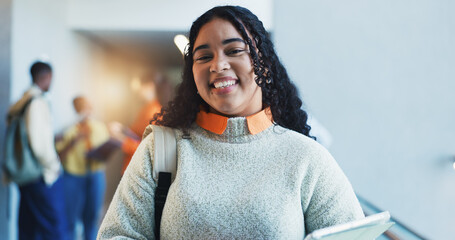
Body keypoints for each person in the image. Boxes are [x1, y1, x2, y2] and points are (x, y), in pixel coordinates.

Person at [98, 6, 364, 239]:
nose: (218, 65)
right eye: (203, 56)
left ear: (265, 64)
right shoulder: (161, 148)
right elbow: (118, 235)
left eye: (234, 50)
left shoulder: (307, 158)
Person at [7, 61, 66, 239]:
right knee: (54, 227)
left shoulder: (21, 101)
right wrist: (53, 166)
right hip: (39, 174)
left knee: (28, 227)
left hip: (23, 172)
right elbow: (39, 145)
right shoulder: (37, 102)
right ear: (46, 77)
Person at [55, 96, 110, 240]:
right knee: (70, 219)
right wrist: (74, 141)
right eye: (80, 107)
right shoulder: (67, 131)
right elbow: (59, 157)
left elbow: (105, 154)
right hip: (72, 176)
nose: (84, 110)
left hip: (95, 175)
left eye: (86, 106)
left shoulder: (100, 127)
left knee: (91, 220)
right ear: (75, 110)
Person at [108, 72, 163, 173]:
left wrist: (120, 139)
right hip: (132, 168)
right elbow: (136, 134)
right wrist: (122, 129)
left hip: (139, 172)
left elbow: (149, 150)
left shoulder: (155, 113)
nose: (138, 92)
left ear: (150, 86)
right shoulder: (146, 109)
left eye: (140, 87)